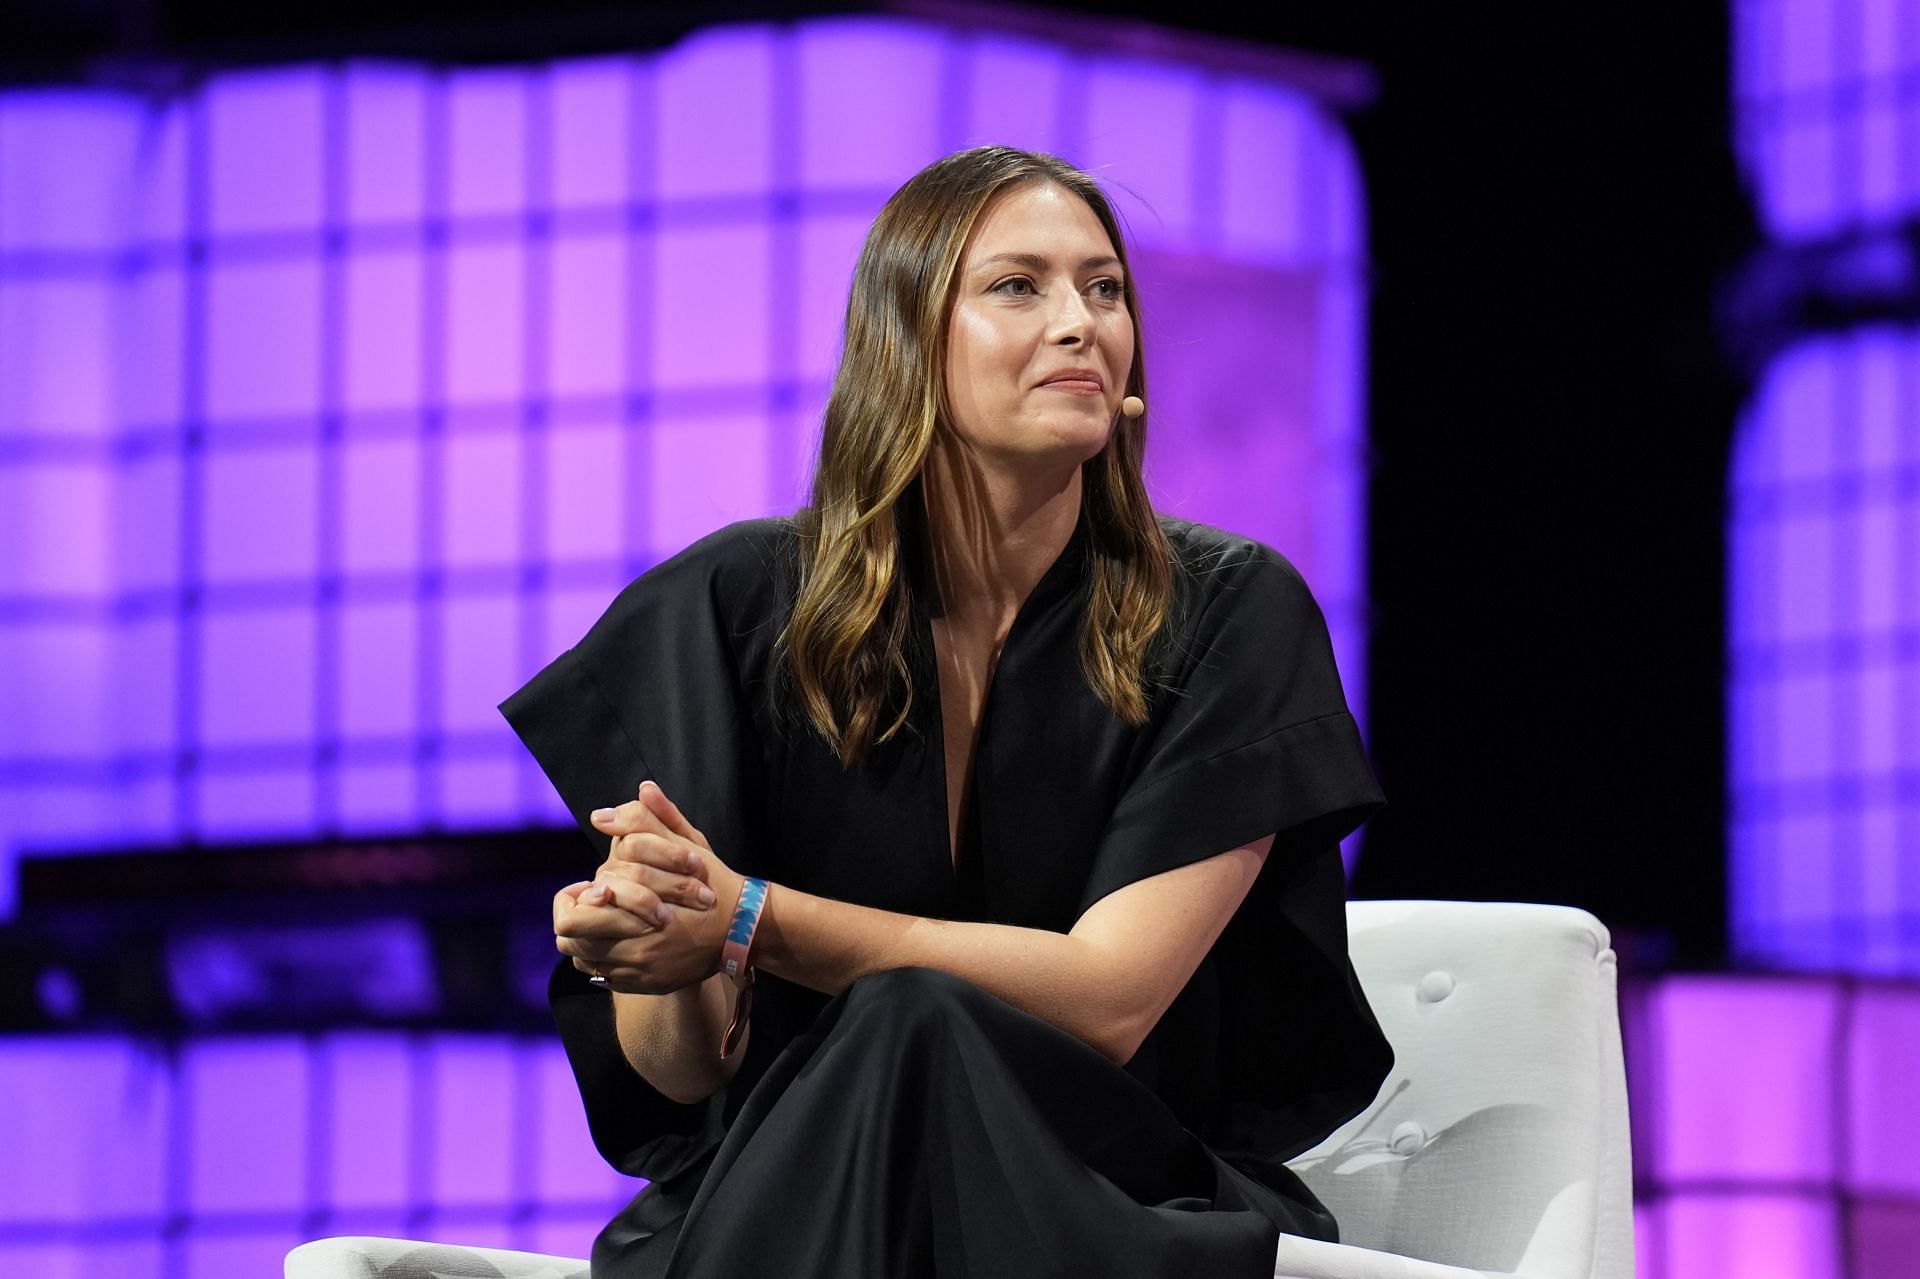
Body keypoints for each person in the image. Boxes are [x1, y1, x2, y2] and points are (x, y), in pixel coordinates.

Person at [500, 145, 1391, 1278]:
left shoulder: (1228, 614)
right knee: (890, 1042)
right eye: (1019, 286)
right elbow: (680, 1076)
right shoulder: (724, 609)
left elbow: (1110, 1001)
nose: (1080, 321)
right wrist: (667, 959)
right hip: (795, 1185)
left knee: (911, 1021)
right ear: (909, 344)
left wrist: (748, 919)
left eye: (1104, 288)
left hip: (1100, 1180)